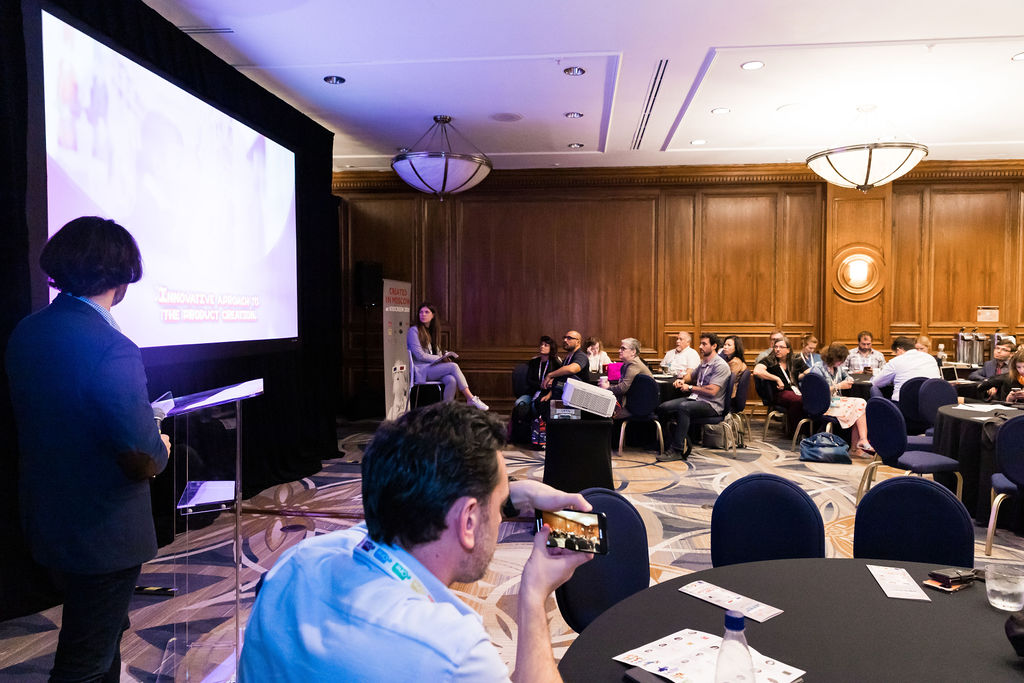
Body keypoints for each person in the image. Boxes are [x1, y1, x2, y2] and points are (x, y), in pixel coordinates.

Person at [238, 402, 591, 682]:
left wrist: (517, 494)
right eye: (499, 508)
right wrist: (533, 596)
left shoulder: (297, 561)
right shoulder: (452, 651)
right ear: (468, 521)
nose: (502, 517)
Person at [5, 216, 171, 682]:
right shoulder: (112, 346)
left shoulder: (28, 331)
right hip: (103, 530)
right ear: (122, 274)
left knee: (100, 638)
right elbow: (141, 453)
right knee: (84, 661)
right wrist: (160, 445)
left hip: (48, 517)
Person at [655, 333, 731, 461]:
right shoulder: (704, 362)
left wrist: (690, 387)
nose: (700, 347)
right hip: (697, 399)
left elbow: (712, 391)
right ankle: (667, 443)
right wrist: (683, 381)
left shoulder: (720, 365)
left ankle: (677, 450)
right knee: (663, 407)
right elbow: (691, 376)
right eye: (701, 343)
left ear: (714, 346)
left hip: (712, 405)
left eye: (704, 344)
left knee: (684, 408)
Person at [407, 301, 488, 410]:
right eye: (421, 312)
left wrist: (444, 356)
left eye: (426, 312)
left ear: (433, 315)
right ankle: (470, 398)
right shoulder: (414, 331)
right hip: (422, 371)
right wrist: (440, 358)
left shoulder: (432, 331)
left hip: (432, 368)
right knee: (453, 366)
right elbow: (420, 355)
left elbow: (435, 352)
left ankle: (446, 411)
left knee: (451, 380)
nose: (423, 314)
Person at [810, 343, 874, 457]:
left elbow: (847, 376)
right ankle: (857, 447)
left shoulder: (837, 367)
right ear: (831, 357)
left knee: (860, 404)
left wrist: (849, 380)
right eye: (839, 360)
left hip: (835, 401)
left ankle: (861, 442)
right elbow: (816, 391)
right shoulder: (818, 368)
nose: (841, 362)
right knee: (859, 407)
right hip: (822, 404)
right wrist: (839, 386)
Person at [752, 335, 804, 434]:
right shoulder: (769, 360)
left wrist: (802, 376)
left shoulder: (794, 360)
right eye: (776, 347)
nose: (777, 349)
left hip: (795, 391)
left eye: (781, 347)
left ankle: (808, 430)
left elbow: (809, 371)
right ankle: (796, 433)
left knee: (807, 399)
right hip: (778, 393)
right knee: (798, 400)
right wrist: (776, 378)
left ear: (788, 350)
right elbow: (757, 371)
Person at [871, 336, 941, 400]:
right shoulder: (931, 358)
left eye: (895, 353)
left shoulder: (895, 361)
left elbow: (876, 382)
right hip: (930, 404)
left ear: (899, 350)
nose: (896, 356)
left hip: (902, 405)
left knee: (873, 388)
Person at [539, 330, 591, 409]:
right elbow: (561, 381)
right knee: (541, 404)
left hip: (577, 400)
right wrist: (549, 395)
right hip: (566, 397)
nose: (565, 340)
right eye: (564, 337)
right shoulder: (567, 357)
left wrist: (550, 375)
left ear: (578, 342)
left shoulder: (581, 356)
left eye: (569, 338)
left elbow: (572, 369)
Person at [515, 335, 562, 416]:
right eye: (541, 344)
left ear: (551, 348)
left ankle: (537, 421)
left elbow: (560, 381)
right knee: (519, 403)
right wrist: (541, 385)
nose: (542, 347)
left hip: (548, 393)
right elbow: (529, 380)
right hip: (533, 391)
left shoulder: (556, 362)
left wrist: (549, 386)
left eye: (545, 345)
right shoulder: (534, 362)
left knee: (536, 405)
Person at [607, 338, 653, 416]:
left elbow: (622, 388)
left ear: (633, 352)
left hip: (640, 406)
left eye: (623, 348)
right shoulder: (627, 364)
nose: (619, 351)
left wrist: (607, 388)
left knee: (608, 414)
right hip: (634, 402)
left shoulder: (634, 364)